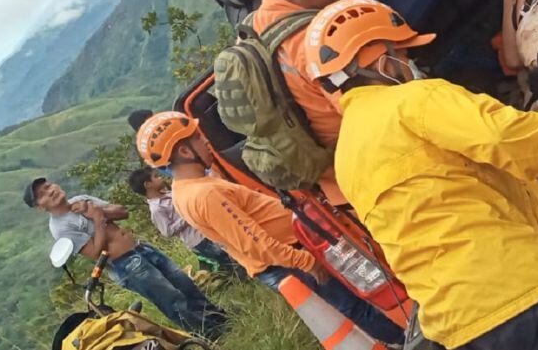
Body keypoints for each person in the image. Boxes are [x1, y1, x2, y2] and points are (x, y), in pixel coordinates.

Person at [302, 0, 538, 350]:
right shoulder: (413, 101)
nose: (408, 63)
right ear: (378, 58)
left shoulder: (346, 159)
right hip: (519, 289)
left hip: (458, 328)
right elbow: (508, 139)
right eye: (401, 52)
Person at [132, 111, 404, 346]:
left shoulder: (187, 190)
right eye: (198, 138)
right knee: (356, 307)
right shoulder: (204, 195)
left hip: (288, 259)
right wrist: (305, 261)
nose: (206, 142)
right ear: (184, 151)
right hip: (290, 261)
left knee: (353, 307)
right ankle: (412, 343)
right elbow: (253, 242)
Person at [24, 177, 226, 338]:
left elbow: (122, 212)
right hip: (126, 264)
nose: (50, 191)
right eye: (42, 194)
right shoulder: (60, 227)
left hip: (141, 248)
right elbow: (95, 252)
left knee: (182, 282)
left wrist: (95, 210)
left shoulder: (81, 200)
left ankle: (217, 317)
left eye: (49, 185)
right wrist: (96, 218)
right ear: (40, 207)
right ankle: (207, 332)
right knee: (170, 297)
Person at [242, 0, 357, 199]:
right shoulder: (317, 38)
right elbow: (375, 108)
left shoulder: (252, 31)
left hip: (340, 186)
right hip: (379, 170)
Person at [127, 167, 242, 276]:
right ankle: (238, 281)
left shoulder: (168, 194)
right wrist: (186, 215)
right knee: (224, 259)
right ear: (148, 185)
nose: (160, 178)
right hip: (198, 239)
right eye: (156, 177)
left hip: (204, 230)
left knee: (230, 252)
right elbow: (167, 231)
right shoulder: (157, 209)